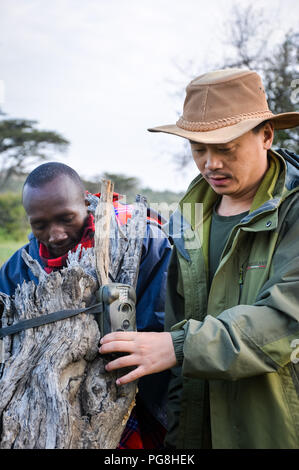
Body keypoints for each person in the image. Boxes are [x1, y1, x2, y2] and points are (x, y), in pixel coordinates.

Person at [99, 68, 299, 449]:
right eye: (198, 149)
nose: (210, 164)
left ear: (267, 136)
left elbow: (284, 320)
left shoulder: (293, 211)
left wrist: (177, 346)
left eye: (225, 148)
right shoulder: (190, 216)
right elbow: (179, 329)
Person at [0, 162, 172, 449]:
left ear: (87, 203)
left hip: (135, 397)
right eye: (39, 225)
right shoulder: (18, 269)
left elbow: (161, 323)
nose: (55, 235)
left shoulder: (141, 244)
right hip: (46, 412)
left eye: (66, 218)